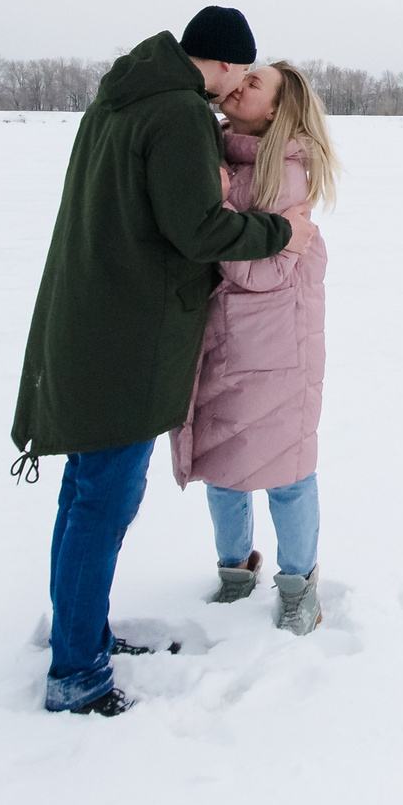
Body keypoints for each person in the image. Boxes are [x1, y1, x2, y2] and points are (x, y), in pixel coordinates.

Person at [11, 7, 313, 717]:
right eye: (243, 70)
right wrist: (279, 232)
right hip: (127, 334)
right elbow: (198, 229)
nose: (239, 86)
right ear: (226, 62)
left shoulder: (123, 95)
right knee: (103, 501)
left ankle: (80, 634)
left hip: (89, 316)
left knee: (85, 491)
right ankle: (77, 672)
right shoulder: (177, 112)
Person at [171, 60, 338, 636]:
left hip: (277, 349)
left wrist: (218, 212)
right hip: (225, 341)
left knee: (287, 473)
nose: (238, 86)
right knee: (223, 467)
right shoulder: (217, 155)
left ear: (274, 112)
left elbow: (260, 273)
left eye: (253, 84)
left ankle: (299, 590)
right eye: (241, 78)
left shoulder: (283, 173)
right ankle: (235, 570)